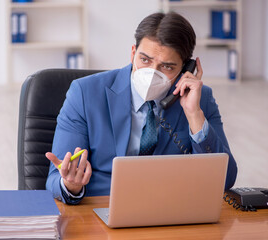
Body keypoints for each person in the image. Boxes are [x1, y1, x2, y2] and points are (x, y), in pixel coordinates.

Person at [45, 11, 237, 204]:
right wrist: (71, 185)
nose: (152, 73)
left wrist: (194, 115)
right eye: (145, 60)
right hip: (102, 209)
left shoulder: (200, 100)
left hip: (170, 211)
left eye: (167, 67)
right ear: (133, 53)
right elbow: (54, 179)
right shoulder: (84, 93)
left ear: (187, 68)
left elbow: (225, 179)